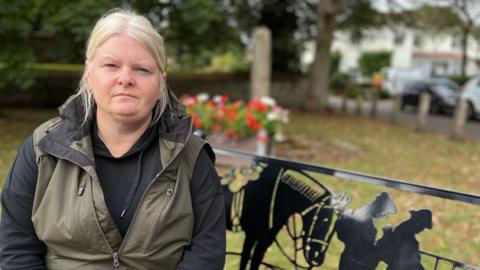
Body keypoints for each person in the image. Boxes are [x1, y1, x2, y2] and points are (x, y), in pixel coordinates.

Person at [0, 9, 226, 270]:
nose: (125, 79)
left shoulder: (191, 158)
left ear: (161, 83)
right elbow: (16, 249)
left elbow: (206, 256)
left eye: (142, 69)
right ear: (89, 73)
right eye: (111, 65)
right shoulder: (43, 149)